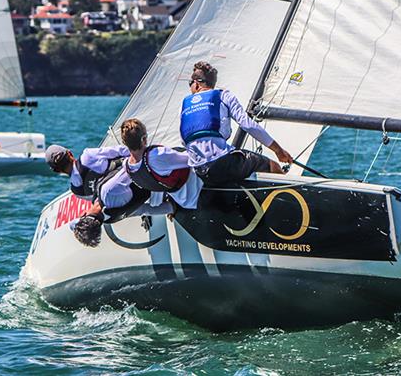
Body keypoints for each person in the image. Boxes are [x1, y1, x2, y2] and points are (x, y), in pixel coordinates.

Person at [179, 61, 293, 186]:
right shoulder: (223, 95)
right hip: (223, 163)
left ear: (196, 83)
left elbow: (184, 141)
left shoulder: (185, 104)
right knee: (273, 166)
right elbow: (247, 124)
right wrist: (278, 150)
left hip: (199, 170)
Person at [45, 143, 175, 248]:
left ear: (57, 171)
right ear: (70, 153)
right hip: (155, 173)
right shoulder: (104, 188)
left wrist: (171, 208)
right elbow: (127, 159)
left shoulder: (81, 194)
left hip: (151, 191)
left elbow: (145, 209)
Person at [120, 118, 202, 212]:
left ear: (125, 143)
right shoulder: (157, 155)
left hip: (182, 200)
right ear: (143, 139)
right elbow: (193, 159)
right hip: (197, 189)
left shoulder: (127, 166)